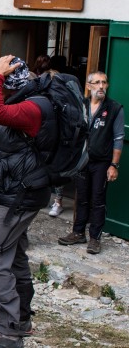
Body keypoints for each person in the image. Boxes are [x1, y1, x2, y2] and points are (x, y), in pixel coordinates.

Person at [0, 56, 57, 348]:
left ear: (11, 84)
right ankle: (19, 321)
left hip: (20, 197)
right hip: (18, 193)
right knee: (14, 254)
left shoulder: (33, 107)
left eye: (2, 86)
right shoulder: (31, 102)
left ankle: (9, 332)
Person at [58, 72, 124, 254]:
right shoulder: (81, 106)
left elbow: (119, 138)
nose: (101, 86)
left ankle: (95, 238)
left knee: (98, 199)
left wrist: (114, 165)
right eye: (97, 83)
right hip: (82, 161)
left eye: (104, 83)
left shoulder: (114, 108)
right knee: (82, 197)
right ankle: (78, 232)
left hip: (101, 162)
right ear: (88, 86)